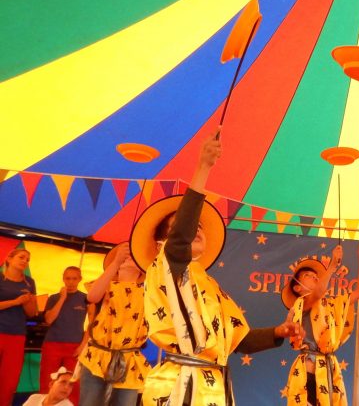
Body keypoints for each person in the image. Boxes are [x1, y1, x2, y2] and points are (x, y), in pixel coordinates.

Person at [130, 128, 304, 406]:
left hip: (211, 386)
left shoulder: (208, 285)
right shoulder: (165, 265)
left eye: (200, 226)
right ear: (163, 242)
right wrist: (203, 168)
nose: (195, 229)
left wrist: (278, 332)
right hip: (179, 386)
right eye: (188, 227)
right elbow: (179, 241)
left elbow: (237, 340)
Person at [281, 242, 359, 406]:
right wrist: (332, 266)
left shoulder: (331, 304)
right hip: (307, 375)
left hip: (329, 371)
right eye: (307, 275)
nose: (315, 276)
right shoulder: (302, 304)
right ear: (297, 288)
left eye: (316, 275)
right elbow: (317, 293)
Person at [77, 242, 151, 406]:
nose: (129, 257)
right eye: (126, 256)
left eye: (134, 256)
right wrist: (116, 262)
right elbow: (92, 297)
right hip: (97, 356)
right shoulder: (106, 285)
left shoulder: (147, 291)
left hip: (129, 360)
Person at [40, 266, 95, 405]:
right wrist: (62, 298)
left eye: (74, 278)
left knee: (73, 383)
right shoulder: (54, 298)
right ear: (63, 279)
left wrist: (83, 345)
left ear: (80, 279)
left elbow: (92, 324)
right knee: (48, 381)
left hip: (74, 346)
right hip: (52, 344)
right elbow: (49, 320)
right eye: (68, 278)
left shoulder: (86, 299)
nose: (70, 282)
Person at [0, 249, 37, 406]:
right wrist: (15, 302)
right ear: (9, 258)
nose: (25, 261)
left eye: (27, 259)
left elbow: (32, 313)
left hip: (17, 335)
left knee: (9, 379)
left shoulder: (29, 282)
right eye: (21, 257)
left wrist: (28, 302)